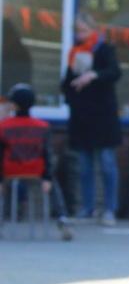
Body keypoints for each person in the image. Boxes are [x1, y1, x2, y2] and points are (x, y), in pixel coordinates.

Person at [61, 12, 122, 227]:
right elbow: (66, 84)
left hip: (104, 117)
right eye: (77, 31)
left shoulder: (105, 49)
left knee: (107, 164)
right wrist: (72, 87)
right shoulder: (75, 53)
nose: (80, 35)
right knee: (85, 167)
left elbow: (114, 72)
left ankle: (110, 209)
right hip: (82, 118)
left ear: (93, 30)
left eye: (84, 30)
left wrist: (92, 75)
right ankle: (87, 208)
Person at [0, 84, 74, 240]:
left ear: (14, 105)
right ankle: (62, 220)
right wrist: (47, 177)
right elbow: (47, 154)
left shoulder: (3, 126)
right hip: (36, 170)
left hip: (10, 171)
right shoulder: (43, 126)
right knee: (53, 184)